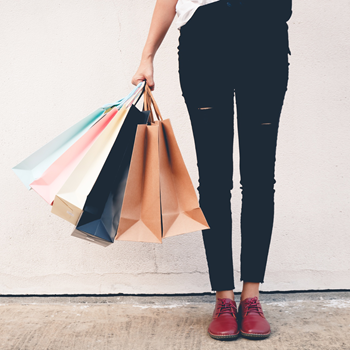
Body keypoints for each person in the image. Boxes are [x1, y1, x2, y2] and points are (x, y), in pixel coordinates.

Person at [132, 0, 292, 341]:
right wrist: (147, 56)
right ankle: (223, 298)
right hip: (204, 42)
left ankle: (251, 298)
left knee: (260, 177)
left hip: (265, 35)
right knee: (215, 180)